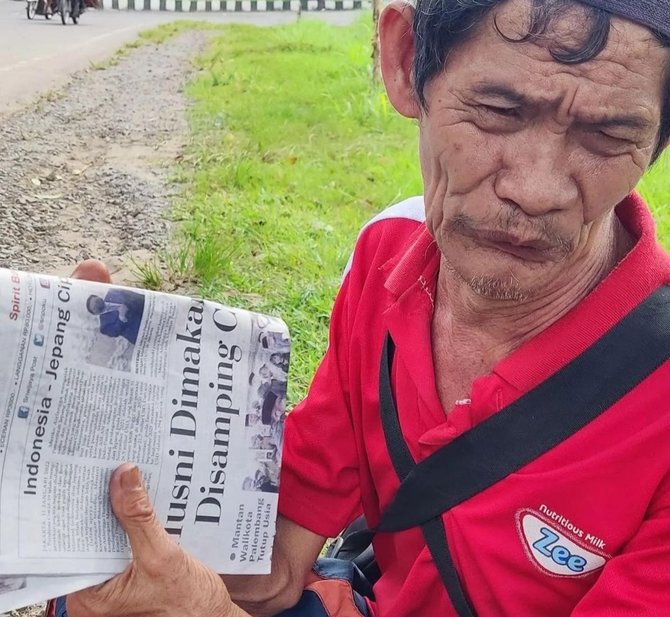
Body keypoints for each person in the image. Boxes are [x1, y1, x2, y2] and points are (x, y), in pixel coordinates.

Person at [64, 0, 670, 616]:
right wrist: (104, 471)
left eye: (609, 136)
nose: (536, 190)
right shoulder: (388, 263)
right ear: (405, 61)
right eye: (498, 112)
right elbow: (271, 562)